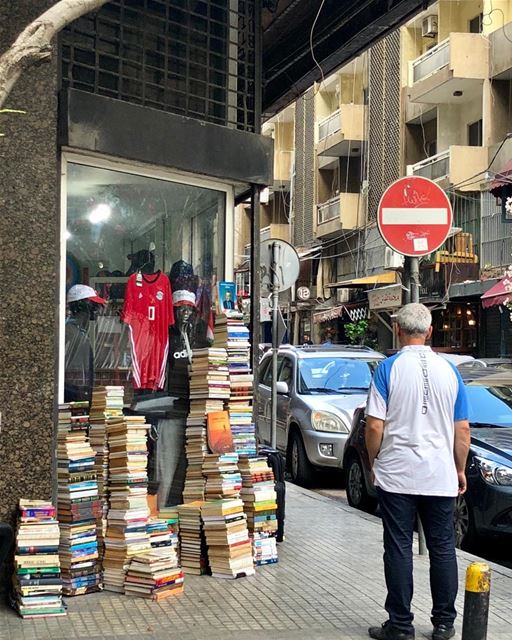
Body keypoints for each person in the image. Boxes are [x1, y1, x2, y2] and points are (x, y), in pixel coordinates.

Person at [365, 303, 470, 640]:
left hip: (397, 475)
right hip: (440, 475)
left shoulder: (387, 369)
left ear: (397, 330)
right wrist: (459, 469)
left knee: (398, 547)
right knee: (442, 547)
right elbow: (462, 429)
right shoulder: (450, 371)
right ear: (429, 332)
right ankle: (443, 624)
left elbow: (374, 426)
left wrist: (374, 461)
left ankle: (400, 626)